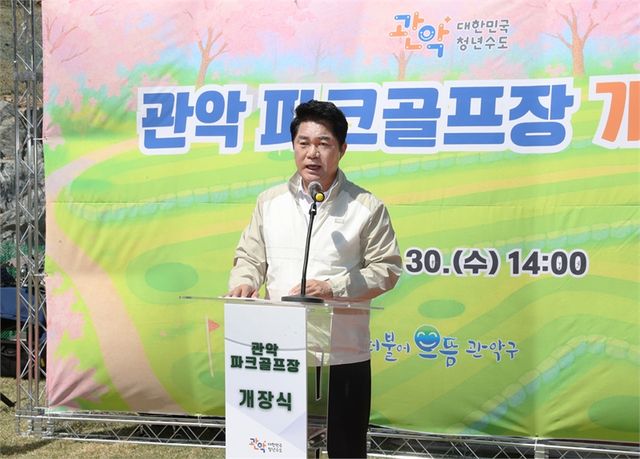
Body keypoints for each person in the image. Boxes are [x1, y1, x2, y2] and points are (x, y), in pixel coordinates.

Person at [228, 99, 401, 458]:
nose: (312, 153)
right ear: (293, 147)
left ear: (342, 149)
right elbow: (250, 256)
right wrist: (245, 280)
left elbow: (386, 269)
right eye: (303, 143)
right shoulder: (269, 202)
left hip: (342, 355)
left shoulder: (365, 206)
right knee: (273, 449)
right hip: (278, 351)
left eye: (323, 143)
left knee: (345, 450)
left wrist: (333, 288)